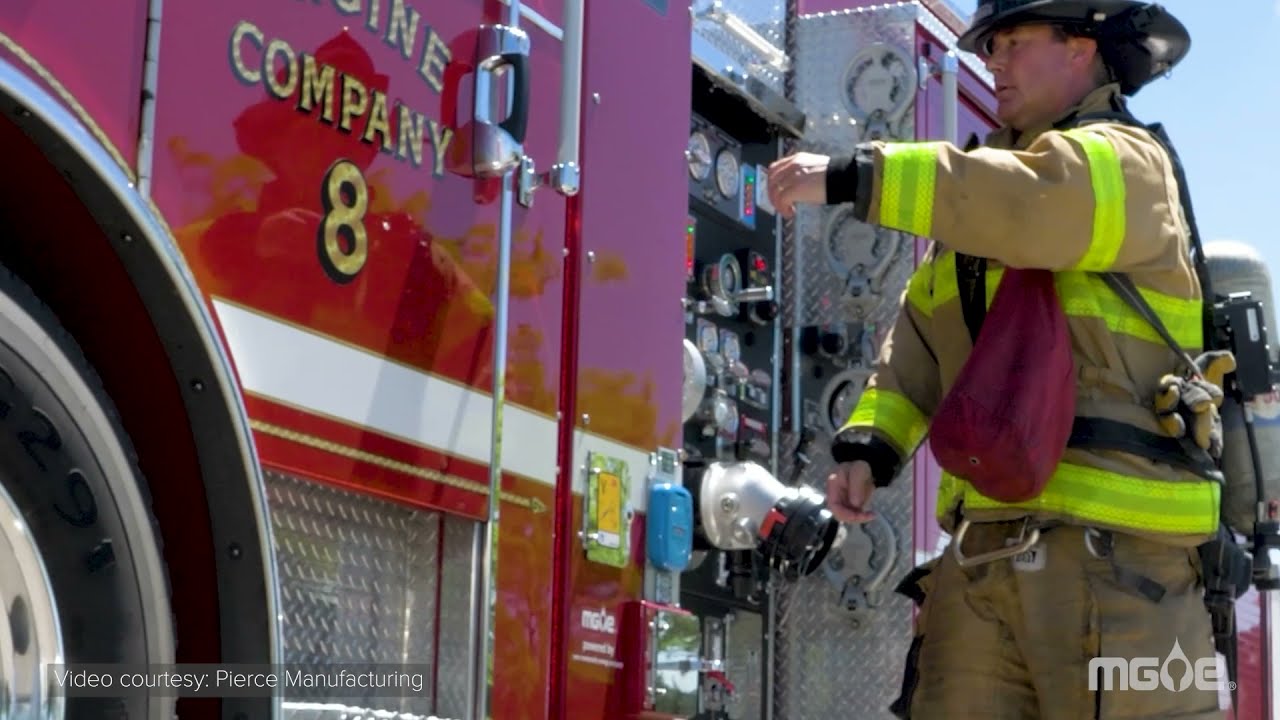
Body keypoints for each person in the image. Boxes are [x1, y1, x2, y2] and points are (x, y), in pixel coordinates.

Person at [767, 1, 1231, 718]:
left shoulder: (1125, 162)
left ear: (1081, 48)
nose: (994, 63)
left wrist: (857, 175)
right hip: (983, 562)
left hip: (1124, 564)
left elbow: (1031, 203)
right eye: (990, 49)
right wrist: (869, 449)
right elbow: (918, 345)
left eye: (1014, 43)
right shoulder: (978, 207)